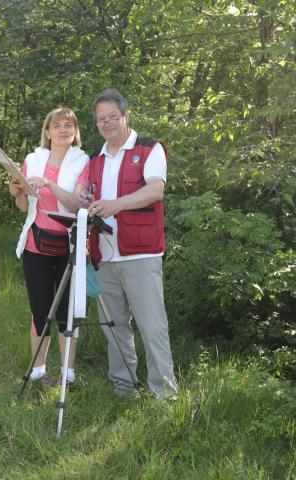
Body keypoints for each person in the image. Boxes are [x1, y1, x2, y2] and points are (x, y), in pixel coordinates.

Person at [83, 88, 178, 399]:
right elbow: (89, 196)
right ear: (96, 124)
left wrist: (115, 204)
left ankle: (165, 396)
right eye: (101, 119)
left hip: (141, 254)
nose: (107, 123)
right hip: (105, 257)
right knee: (113, 327)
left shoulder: (150, 150)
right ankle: (124, 390)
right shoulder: (95, 159)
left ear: (125, 117)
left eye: (113, 117)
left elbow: (155, 192)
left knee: (153, 328)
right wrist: (90, 202)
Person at [9, 107, 89, 389]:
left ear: (75, 131)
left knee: (68, 311)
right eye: (57, 125)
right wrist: (17, 192)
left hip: (69, 247)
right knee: (40, 310)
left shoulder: (83, 161)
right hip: (35, 245)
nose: (63, 130)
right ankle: (39, 372)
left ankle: (68, 375)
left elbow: (79, 205)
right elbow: (24, 207)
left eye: (69, 125)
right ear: (47, 132)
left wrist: (49, 184)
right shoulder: (32, 159)